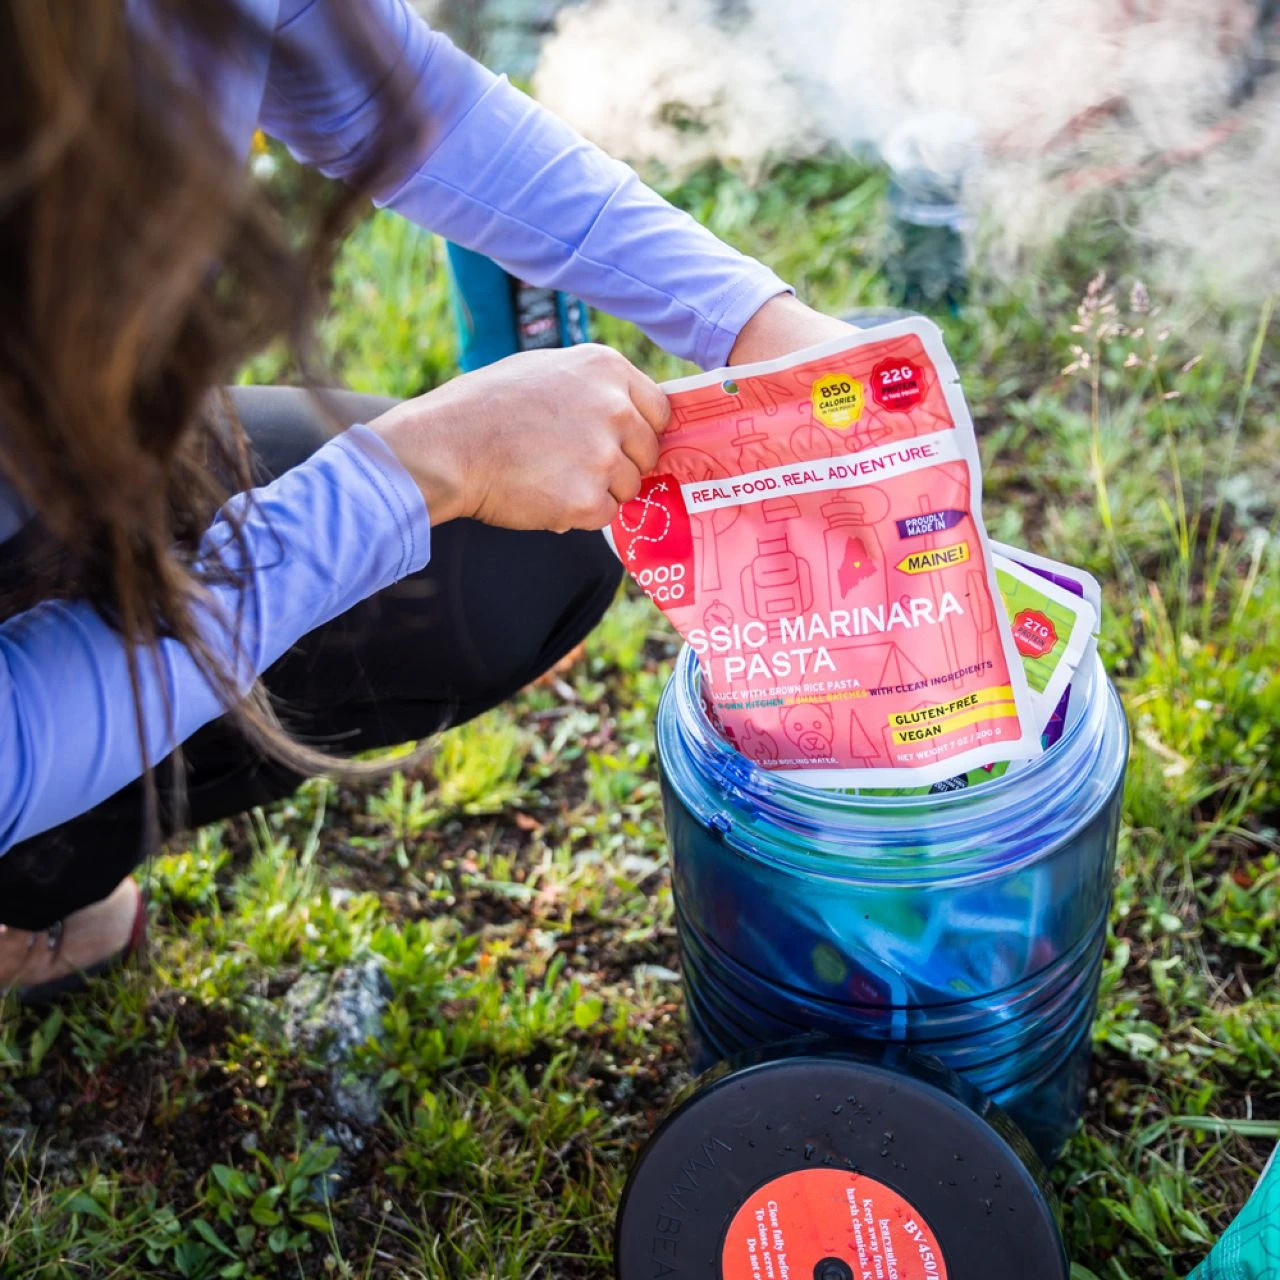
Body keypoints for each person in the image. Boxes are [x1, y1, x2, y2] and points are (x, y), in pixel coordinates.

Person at [0, 0, 850, 1001]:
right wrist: (415, 470)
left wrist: (750, 319)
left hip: (60, 436)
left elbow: (395, 99)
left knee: (512, 564)